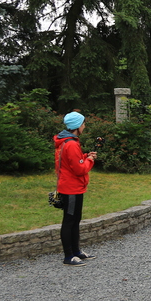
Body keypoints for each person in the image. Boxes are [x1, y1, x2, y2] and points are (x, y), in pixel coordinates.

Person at [54, 111, 97, 267]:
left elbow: (71, 163)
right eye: (83, 123)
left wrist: (84, 156)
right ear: (77, 126)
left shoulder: (67, 141)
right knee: (69, 221)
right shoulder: (71, 144)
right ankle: (68, 256)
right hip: (71, 188)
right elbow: (79, 170)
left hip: (73, 187)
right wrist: (90, 160)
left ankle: (76, 252)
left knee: (75, 220)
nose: (84, 126)